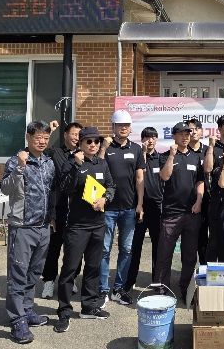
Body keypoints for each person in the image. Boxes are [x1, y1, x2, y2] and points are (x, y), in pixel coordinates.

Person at [0, 120, 58, 344]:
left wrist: (52, 218)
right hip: (22, 227)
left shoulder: (48, 163)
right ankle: (17, 321)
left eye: (45, 138)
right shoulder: (16, 161)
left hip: (43, 227)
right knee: (18, 275)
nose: (42, 141)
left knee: (34, 273)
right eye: (38, 137)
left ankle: (26, 310)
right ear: (28, 137)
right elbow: (5, 188)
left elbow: (51, 192)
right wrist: (20, 167)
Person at [55, 127, 116, 332]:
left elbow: (111, 186)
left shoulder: (102, 163)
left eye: (96, 141)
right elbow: (65, 188)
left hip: (98, 225)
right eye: (88, 141)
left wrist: (105, 199)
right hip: (77, 226)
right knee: (70, 269)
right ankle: (64, 312)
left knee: (93, 267)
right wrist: (76, 165)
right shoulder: (71, 162)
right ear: (80, 143)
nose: (93, 145)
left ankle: (89, 307)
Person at [98, 109, 145, 306]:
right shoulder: (105, 147)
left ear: (130, 128)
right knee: (104, 250)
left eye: (126, 125)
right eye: (119, 125)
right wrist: (104, 147)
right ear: (113, 127)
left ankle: (118, 288)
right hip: (107, 207)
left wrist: (140, 204)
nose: (123, 128)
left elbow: (140, 178)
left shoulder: (136, 149)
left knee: (126, 249)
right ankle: (102, 290)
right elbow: (97, 168)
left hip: (129, 207)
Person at [155, 122, 205, 303]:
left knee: (190, 255)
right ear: (174, 136)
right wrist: (171, 156)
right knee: (165, 253)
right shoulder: (165, 156)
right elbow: (164, 176)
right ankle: (162, 289)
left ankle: (186, 288)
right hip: (171, 213)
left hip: (191, 213)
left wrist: (199, 201)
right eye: (182, 134)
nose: (185, 137)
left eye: (188, 134)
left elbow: (200, 181)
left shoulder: (195, 157)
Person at [42, 122, 82, 300]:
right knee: (53, 247)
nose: (76, 138)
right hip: (58, 207)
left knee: (75, 248)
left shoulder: (85, 154)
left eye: (79, 135)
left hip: (78, 209)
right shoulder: (55, 153)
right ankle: (49, 281)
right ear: (65, 135)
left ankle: (70, 279)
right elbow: (40, 148)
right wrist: (49, 131)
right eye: (73, 134)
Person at [123, 127, 163, 294]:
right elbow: (139, 175)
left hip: (157, 208)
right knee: (135, 246)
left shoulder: (161, 158)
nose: (150, 140)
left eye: (153, 137)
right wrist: (144, 154)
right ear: (142, 140)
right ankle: (129, 281)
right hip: (139, 207)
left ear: (157, 139)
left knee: (158, 247)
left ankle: (157, 281)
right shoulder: (138, 157)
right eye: (147, 138)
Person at [204, 114, 224, 262]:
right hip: (218, 201)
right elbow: (208, 169)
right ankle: (210, 272)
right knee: (214, 241)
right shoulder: (214, 148)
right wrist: (211, 147)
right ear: (219, 129)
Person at [187, 118, 210, 265]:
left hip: (206, 198)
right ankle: (188, 272)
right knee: (188, 238)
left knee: (203, 237)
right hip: (186, 200)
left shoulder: (208, 150)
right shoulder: (182, 150)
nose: (194, 132)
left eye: (197, 129)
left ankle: (203, 268)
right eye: (190, 129)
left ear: (201, 131)